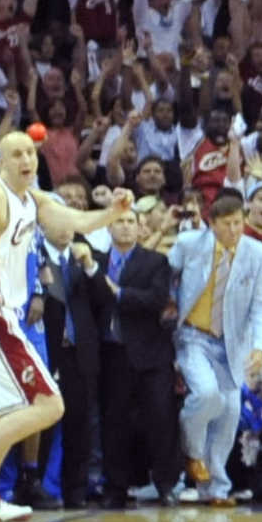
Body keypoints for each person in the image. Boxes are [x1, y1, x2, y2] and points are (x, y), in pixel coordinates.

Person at [0, 134, 127, 519]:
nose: (27, 159)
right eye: (17, 153)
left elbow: (74, 220)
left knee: (7, 407)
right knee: (48, 404)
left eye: (31, 152)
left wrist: (111, 214)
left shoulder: (33, 197)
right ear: (2, 162)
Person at [166, 182, 262, 504]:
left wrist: (259, 346)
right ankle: (193, 454)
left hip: (231, 342)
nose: (233, 229)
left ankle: (215, 488)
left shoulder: (256, 253)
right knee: (207, 395)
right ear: (211, 223)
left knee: (229, 412)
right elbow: (161, 276)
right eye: (226, 224)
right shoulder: (188, 245)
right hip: (193, 336)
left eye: (238, 222)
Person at [95, 200, 181, 505]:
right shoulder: (97, 262)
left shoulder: (155, 261)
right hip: (112, 353)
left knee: (160, 420)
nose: (126, 226)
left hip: (152, 355)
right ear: (109, 227)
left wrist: (119, 293)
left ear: (140, 226)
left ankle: (165, 484)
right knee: (114, 422)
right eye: (119, 221)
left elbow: (157, 300)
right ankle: (115, 487)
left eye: (131, 221)